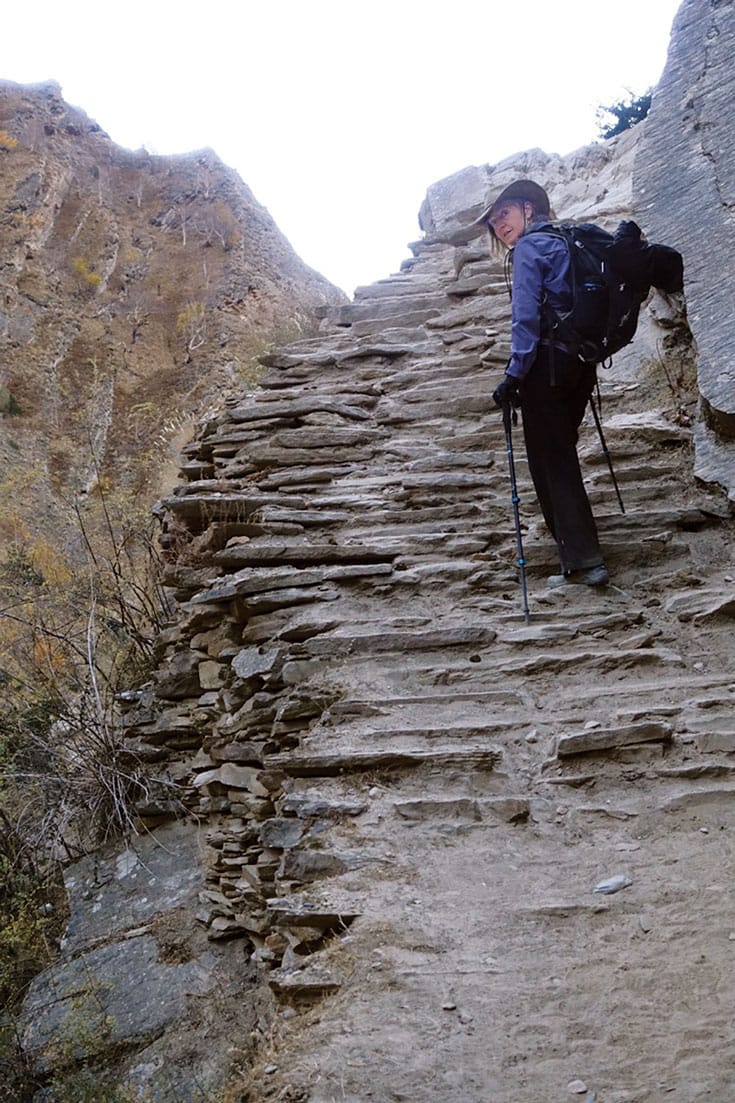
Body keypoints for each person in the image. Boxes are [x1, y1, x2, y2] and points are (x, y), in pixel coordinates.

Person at [476, 179, 609, 588]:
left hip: (546, 367)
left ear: (528, 209)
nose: (499, 226)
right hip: (580, 365)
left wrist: (514, 372)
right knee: (560, 454)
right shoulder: (567, 239)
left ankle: (583, 560)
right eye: (494, 221)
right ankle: (580, 555)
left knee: (550, 462)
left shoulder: (529, 249)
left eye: (504, 214)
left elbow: (526, 318)